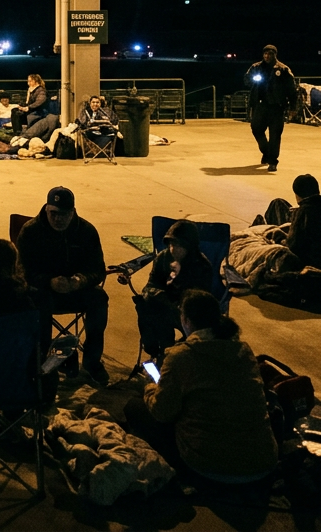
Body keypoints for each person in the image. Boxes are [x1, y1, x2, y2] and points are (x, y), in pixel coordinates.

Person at [124, 289, 278, 485]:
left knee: (135, 407)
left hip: (208, 464)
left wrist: (149, 386)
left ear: (186, 320)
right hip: (262, 461)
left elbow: (162, 411)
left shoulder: (182, 356)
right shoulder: (243, 350)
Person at [16, 187, 109, 385]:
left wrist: (80, 280)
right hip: (44, 290)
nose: (58, 219)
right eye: (54, 214)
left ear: (73, 212)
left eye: (64, 214)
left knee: (99, 298)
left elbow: (98, 269)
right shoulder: (31, 231)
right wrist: (49, 281)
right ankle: (42, 360)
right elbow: (22, 272)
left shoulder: (86, 231)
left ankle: (92, 361)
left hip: (76, 288)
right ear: (46, 209)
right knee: (35, 301)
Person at [134, 220, 214, 361]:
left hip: (189, 312)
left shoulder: (201, 265)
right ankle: (159, 353)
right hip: (166, 306)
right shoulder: (164, 258)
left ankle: (178, 355)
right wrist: (158, 294)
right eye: (171, 244)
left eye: (178, 245)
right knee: (145, 304)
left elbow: (201, 298)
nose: (173, 249)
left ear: (189, 246)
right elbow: (151, 285)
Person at [245, 44, 297, 172]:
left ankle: (273, 161)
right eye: (265, 54)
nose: (267, 56)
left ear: (275, 55)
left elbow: (291, 90)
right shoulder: (256, 67)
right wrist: (253, 80)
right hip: (260, 105)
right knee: (256, 129)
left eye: (270, 54)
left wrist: (293, 107)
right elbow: (246, 79)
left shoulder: (283, 69)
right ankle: (266, 152)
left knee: (275, 135)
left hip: (277, 107)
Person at [261, 173, 321, 269]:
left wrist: (280, 239)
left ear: (297, 195)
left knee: (276, 205)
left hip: (310, 261)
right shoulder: (307, 209)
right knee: (278, 202)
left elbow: (293, 246)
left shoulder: (303, 212)